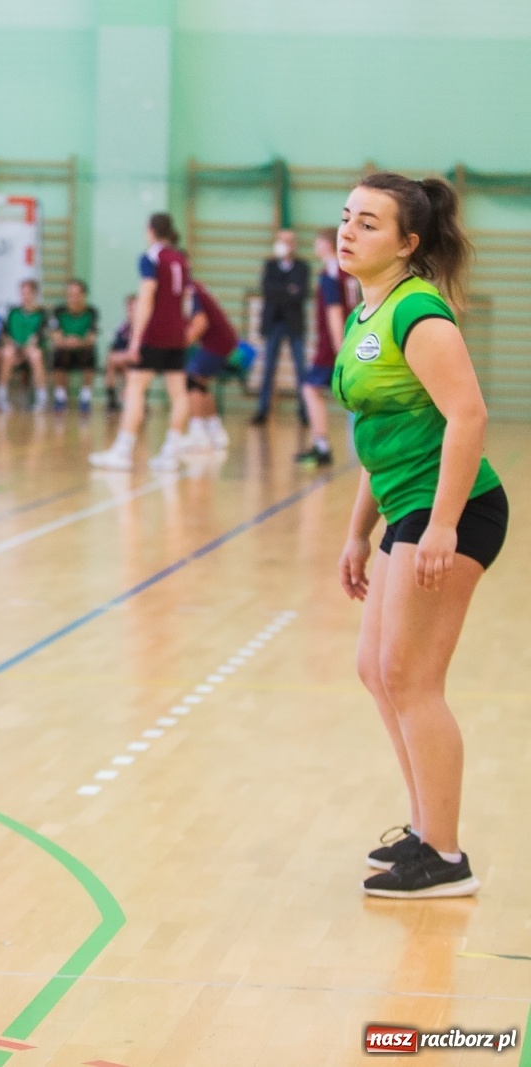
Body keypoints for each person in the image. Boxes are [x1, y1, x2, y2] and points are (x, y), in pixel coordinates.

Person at [334, 173, 508, 899]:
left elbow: (466, 418)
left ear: (408, 243)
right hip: (408, 504)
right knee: (376, 668)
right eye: (346, 217)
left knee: (412, 676)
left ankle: (446, 855)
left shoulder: (419, 313)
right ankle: (423, 829)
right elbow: (387, 438)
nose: (348, 230)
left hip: (456, 508)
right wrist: (356, 532)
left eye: (369, 223)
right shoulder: (365, 313)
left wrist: (441, 524)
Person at [90, 213, 193, 471]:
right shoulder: (180, 259)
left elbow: (146, 298)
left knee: (135, 387)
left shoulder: (151, 258)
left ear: (151, 231)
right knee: (179, 393)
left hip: (155, 334)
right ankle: (171, 452)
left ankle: (123, 451)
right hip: (177, 335)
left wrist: (136, 340)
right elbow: (188, 301)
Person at [300, 227, 360, 466]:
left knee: (310, 388)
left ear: (326, 245)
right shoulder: (350, 272)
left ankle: (321, 445)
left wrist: (340, 349)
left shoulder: (330, 273)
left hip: (334, 346)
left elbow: (335, 313)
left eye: (318, 242)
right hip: (354, 337)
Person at [252, 228, 310, 426]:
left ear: (294, 244)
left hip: (294, 324)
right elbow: (267, 289)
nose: (285, 244)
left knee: (301, 369)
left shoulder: (302, 267)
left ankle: (304, 411)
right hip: (274, 323)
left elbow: (301, 293)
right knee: (268, 368)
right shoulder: (270, 265)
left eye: (289, 241)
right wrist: (288, 290)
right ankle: (262, 411)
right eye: (281, 240)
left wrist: (283, 292)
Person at [181, 280, 239, 451]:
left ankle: (198, 433)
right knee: (201, 382)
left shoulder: (189, 290)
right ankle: (216, 432)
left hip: (218, 342)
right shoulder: (195, 287)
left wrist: (179, 345)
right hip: (223, 340)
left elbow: (200, 324)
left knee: (192, 380)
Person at [0, 278, 48, 412]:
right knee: (7, 353)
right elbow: (5, 334)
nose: (25, 296)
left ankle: (41, 399)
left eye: (28, 293)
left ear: (35, 294)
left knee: (36, 354)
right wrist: (13, 346)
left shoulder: (41, 314)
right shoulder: (13, 312)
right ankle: (1, 397)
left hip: (31, 352)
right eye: (23, 293)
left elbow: (39, 336)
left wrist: (27, 349)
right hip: (15, 351)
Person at [49, 279, 98, 413]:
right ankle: (60, 397)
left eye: (76, 294)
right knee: (58, 353)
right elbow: (55, 337)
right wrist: (67, 342)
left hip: (82, 351)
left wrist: (78, 342)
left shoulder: (92, 312)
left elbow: (92, 338)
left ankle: (85, 397)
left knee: (90, 353)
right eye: (70, 294)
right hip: (65, 351)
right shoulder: (59, 311)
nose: (73, 298)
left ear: (83, 295)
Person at [103, 294, 136, 413]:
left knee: (127, 366)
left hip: (142, 361)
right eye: (129, 309)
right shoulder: (122, 328)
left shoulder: (145, 328)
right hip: (125, 360)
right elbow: (115, 348)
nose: (131, 312)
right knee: (112, 361)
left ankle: (136, 399)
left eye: (133, 309)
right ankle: (112, 400)